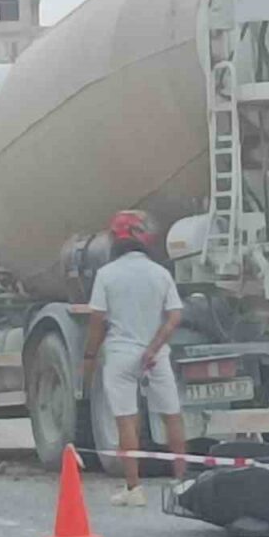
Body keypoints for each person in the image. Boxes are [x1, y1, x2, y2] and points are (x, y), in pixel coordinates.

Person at [82, 210, 188, 507]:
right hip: (156, 356)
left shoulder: (107, 275)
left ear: (116, 239)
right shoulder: (160, 273)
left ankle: (134, 488)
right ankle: (181, 483)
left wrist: (89, 357)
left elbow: (97, 321)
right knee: (172, 416)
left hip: (120, 354)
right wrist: (154, 348)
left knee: (126, 420)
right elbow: (175, 316)